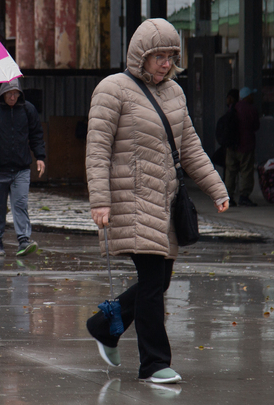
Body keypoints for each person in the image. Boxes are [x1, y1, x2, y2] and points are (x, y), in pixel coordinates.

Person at [85, 19, 229, 385]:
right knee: (152, 281)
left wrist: (217, 188)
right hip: (129, 200)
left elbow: (190, 148)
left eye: (170, 56)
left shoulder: (175, 94)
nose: (165, 63)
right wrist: (99, 201)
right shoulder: (112, 90)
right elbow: (97, 150)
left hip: (164, 203)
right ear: (140, 56)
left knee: (160, 280)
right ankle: (153, 363)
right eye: (158, 56)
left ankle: (105, 324)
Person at [0, 78, 47, 256]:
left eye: (15, 93)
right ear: (2, 93)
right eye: (9, 94)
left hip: (21, 168)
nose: (12, 97)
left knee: (20, 203)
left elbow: (36, 134)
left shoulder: (28, 109)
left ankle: (23, 240)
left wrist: (40, 157)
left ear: (20, 94)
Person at [225, 86, 260, 206]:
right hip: (246, 145)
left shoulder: (233, 107)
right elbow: (256, 126)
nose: (253, 97)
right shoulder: (251, 109)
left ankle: (229, 195)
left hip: (232, 145)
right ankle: (244, 196)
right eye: (251, 95)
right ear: (248, 96)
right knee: (246, 171)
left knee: (231, 171)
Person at [212, 89, 240, 167]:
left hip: (231, 144)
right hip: (238, 144)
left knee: (230, 170)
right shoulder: (238, 110)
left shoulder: (231, 112)